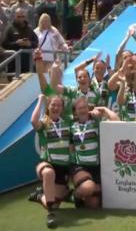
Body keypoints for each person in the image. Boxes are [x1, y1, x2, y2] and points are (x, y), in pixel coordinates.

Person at [30, 94, 71, 228]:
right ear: (48, 106)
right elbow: (33, 121)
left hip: (63, 167)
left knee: (54, 202)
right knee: (48, 173)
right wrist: (41, 100)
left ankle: (39, 195)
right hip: (47, 163)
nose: (55, 107)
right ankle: (51, 215)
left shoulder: (66, 123)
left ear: (62, 109)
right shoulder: (45, 122)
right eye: (53, 104)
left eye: (58, 105)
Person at [70, 97, 118, 208]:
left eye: (85, 107)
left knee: (93, 204)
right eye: (79, 108)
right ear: (75, 111)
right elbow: (71, 148)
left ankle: (84, 194)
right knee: (88, 187)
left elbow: (116, 122)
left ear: (88, 108)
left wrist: (105, 110)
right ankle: (74, 195)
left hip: (95, 166)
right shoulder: (71, 125)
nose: (83, 110)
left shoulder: (96, 122)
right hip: (79, 166)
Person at [2, 8, 39, 73]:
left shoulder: (29, 28)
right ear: (15, 16)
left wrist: (30, 43)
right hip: (13, 64)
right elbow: (4, 44)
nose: (21, 18)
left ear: (25, 17)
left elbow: (36, 42)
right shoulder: (10, 28)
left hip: (27, 64)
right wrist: (17, 43)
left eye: (23, 16)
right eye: (19, 16)